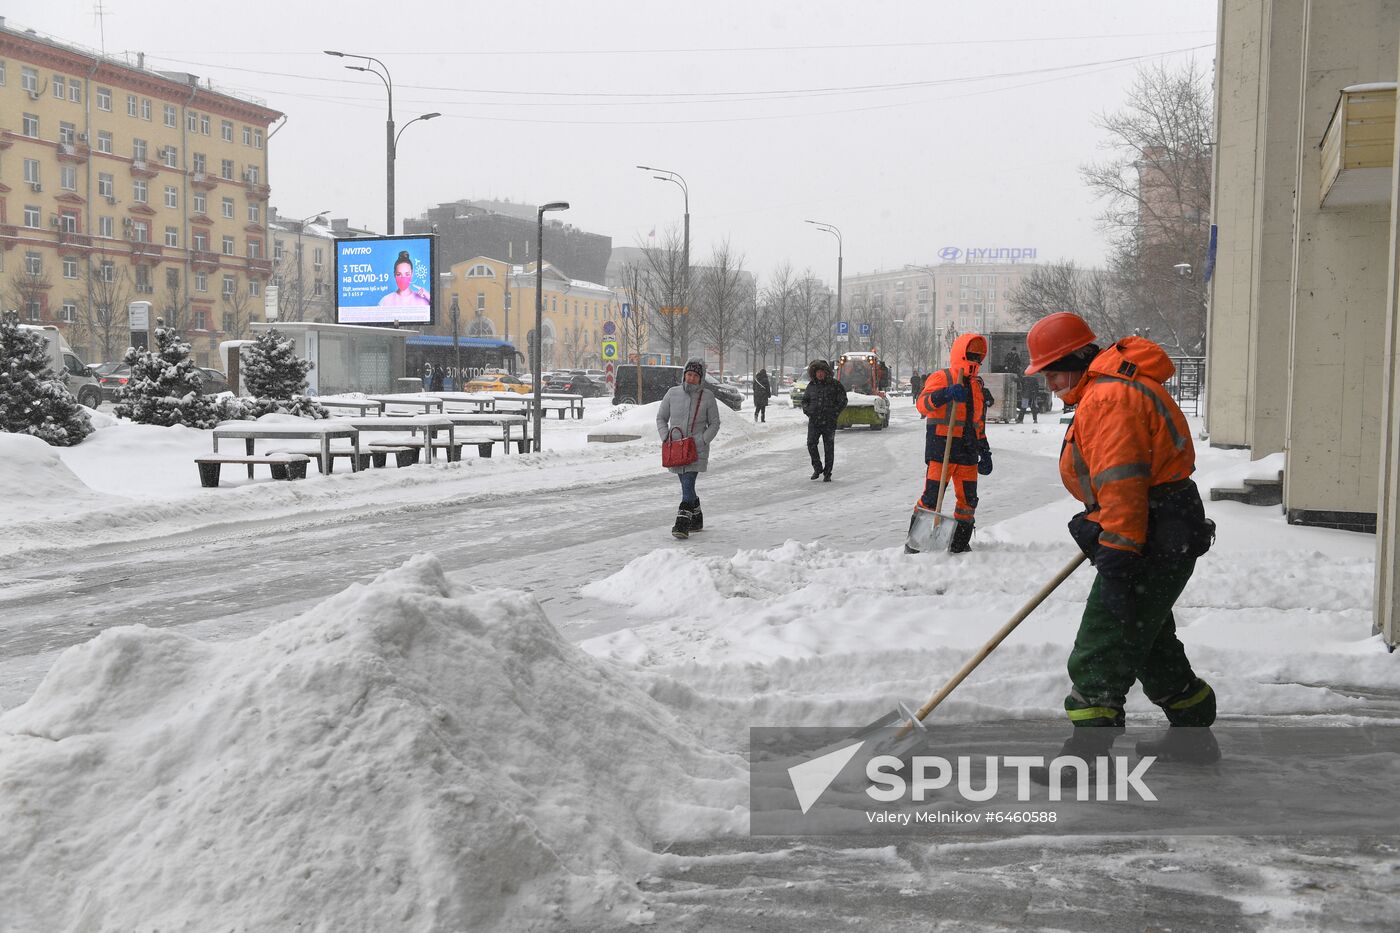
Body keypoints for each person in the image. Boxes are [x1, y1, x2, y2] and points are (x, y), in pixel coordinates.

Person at [1021, 311, 1219, 778]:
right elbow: (1122, 484)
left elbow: (1123, 481)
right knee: (1147, 641)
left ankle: (1086, 753)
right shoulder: (1110, 390)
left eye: (1050, 371)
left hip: (1150, 534)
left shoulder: (1109, 399)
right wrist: (1102, 523)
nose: (1048, 383)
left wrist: (1118, 553)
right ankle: (1193, 734)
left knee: (1102, 640)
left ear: (1073, 360)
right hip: (1159, 528)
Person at [914, 334, 993, 553]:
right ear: (961, 354)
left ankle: (959, 543)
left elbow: (977, 421)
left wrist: (985, 450)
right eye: (972, 356)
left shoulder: (977, 386)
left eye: (979, 358)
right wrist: (945, 394)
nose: (975, 362)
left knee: (969, 500)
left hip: (968, 450)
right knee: (932, 496)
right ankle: (916, 545)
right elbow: (922, 405)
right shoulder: (942, 377)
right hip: (942, 447)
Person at [656, 359, 722, 539]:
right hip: (675, 449)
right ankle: (697, 517)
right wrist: (665, 436)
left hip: (696, 450)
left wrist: (702, 441)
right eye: (689, 374)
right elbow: (661, 418)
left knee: (687, 483)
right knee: (686, 485)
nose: (691, 378)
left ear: (701, 378)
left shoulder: (707, 396)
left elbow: (714, 423)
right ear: (684, 374)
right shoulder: (672, 393)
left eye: (695, 375)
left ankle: (682, 523)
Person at [801, 359, 847, 482]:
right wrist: (808, 411)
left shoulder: (835, 385)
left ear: (826, 372)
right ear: (814, 373)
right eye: (818, 372)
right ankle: (817, 468)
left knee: (828, 447)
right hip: (814, 421)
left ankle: (827, 473)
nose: (820, 374)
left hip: (829, 422)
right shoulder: (811, 386)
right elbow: (805, 401)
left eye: (822, 371)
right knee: (811, 444)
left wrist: (834, 413)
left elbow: (843, 400)